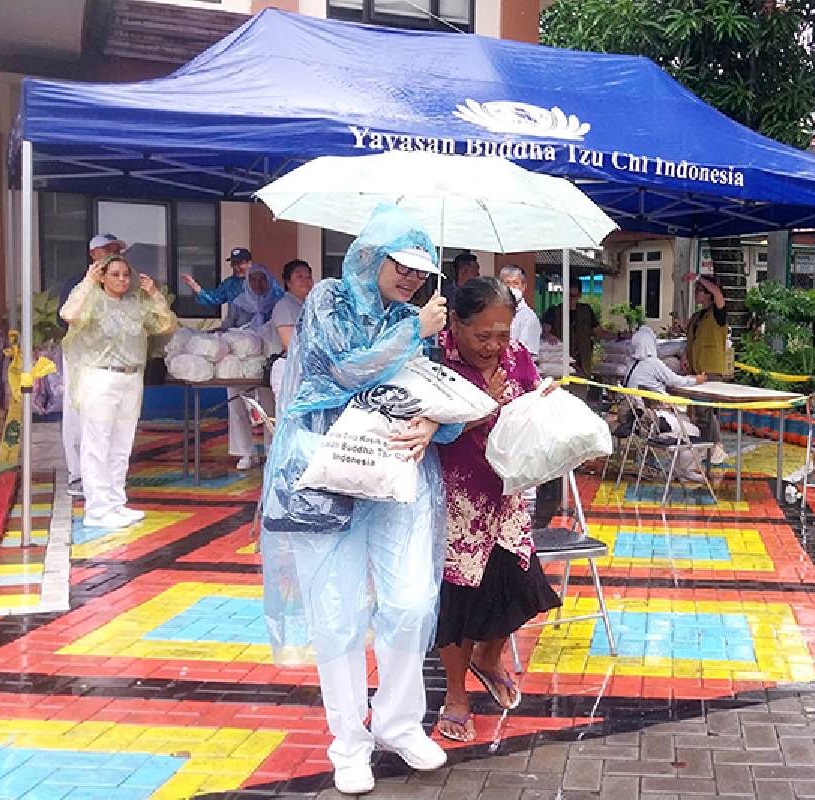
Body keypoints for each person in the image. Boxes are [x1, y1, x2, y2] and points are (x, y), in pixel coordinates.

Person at [259, 205, 452, 795]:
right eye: (404, 264)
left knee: (413, 601)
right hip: (327, 469)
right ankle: (348, 741)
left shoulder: (416, 316)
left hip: (398, 473)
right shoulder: (328, 299)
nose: (413, 278)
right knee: (336, 610)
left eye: (423, 269)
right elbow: (345, 371)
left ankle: (398, 722)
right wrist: (412, 331)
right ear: (374, 253)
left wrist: (432, 425)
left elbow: (432, 390)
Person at [433, 276, 561, 743]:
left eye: (502, 334)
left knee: (518, 584)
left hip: (506, 496)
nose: (494, 346)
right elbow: (432, 428)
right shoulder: (435, 361)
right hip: (456, 498)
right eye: (482, 335)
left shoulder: (517, 357)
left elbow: (528, 407)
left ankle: (488, 658)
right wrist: (482, 402)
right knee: (460, 600)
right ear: (455, 324)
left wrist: (542, 405)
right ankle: (455, 695)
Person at [60, 255, 176, 529]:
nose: (122, 280)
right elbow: (69, 314)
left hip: (131, 377)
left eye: (125, 274)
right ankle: (97, 508)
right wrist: (87, 283)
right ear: (102, 276)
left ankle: (115, 501)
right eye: (115, 274)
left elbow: (165, 325)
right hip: (100, 376)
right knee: (97, 443)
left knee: (122, 443)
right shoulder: (92, 300)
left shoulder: (135, 304)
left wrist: (154, 294)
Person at [59, 233, 127, 499]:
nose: (114, 253)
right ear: (94, 254)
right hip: (81, 357)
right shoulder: (78, 283)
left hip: (110, 360)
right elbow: (64, 317)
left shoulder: (121, 283)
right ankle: (77, 475)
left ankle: (105, 473)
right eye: (108, 249)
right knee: (77, 414)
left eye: (117, 250)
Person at [625, 325, 708, 483]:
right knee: (695, 431)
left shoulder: (631, 366)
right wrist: (696, 380)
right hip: (655, 422)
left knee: (685, 423)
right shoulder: (652, 363)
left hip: (639, 420)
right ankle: (681, 470)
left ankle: (679, 469)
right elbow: (676, 380)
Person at [220, 264, 283, 470]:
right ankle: (244, 452)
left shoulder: (278, 302)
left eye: (262, 279)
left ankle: (270, 448)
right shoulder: (239, 302)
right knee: (236, 404)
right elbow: (228, 326)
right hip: (240, 361)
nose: (258, 284)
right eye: (253, 279)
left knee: (269, 406)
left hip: (266, 362)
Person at [683, 274, 729, 464]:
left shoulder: (718, 314)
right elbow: (691, 340)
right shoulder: (697, 317)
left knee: (706, 410)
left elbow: (718, 294)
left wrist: (700, 277)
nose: (696, 294)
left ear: (708, 294)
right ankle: (704, 445)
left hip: (710, 368)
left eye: (699, 291)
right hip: (696, 368)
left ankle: (717, 445)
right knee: (697, 410)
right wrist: (686, 357)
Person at [269, 259, 314, 409]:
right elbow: (289, 343)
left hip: (305, 368)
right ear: (288, 282)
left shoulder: (308, 306)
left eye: (308, 277)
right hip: (289, 369)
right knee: (290, 420)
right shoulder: (284, 306)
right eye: (299, 276)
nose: (305, 281)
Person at [541, 282, 607, 377]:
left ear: (579, 295)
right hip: (560, 363)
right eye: (568, 295)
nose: (570, 299)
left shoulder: (586, 311)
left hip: (583, 362)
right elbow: (546, 329)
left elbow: (599, 332)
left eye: (573, 296)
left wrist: (618, 336)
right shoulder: (554, 311)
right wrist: (548, 335)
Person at [180, 246, 256, 307]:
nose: (236, 267)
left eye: (240, 263)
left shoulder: (259, 280)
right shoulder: (229, 283)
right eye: (234, 263)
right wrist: (195, 286)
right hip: (237, 323)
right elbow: (214, 298)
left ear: (249, 263)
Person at [498, 265, 541, 358]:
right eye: (507, 283)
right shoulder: (495, 313)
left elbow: (525, 354)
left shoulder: (529, 318)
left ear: (523, 287)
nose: (511, 288)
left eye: (515, 283)